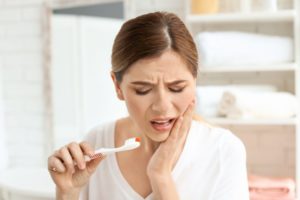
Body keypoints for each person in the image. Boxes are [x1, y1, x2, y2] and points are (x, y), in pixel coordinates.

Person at [48, 11, 249, 200]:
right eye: (143, 90)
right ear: (118, 86)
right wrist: (68, 193)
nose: (162, 106)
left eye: (177, 88)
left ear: (194, 81)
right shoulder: (98, 144)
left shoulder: (223, 151)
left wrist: (161, 177)